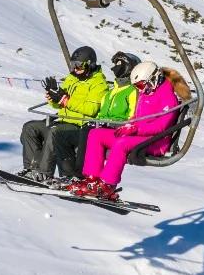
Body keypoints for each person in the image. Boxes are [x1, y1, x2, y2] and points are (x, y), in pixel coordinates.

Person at [70, 61, 191, 202]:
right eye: (136, 87)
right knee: (96, 134)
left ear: (154, 78)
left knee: (122, 143)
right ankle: (92, 179)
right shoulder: (146, 93)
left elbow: (161, 126)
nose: (140, 90)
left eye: (140, 85)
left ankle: (108, 184)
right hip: (138, 136)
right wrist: (129, 124)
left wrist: (136, 129)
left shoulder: (167, 96)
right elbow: (138, 116)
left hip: (155, 141)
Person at [47, 51, 139, 187]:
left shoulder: (132, 90)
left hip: (116, 130)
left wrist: (113, 124)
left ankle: (82, 176)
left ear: (129, 68)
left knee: (88, 130)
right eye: (114, 64)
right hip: (102, 127)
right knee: (62, 134)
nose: (114, 68)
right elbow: (102, 112)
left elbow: (133, 116)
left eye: (119, 65)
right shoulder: (114, 89)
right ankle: (74, 176)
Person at [19, 46, 106, 182]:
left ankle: (44, 173)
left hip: (79, 126)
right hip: (62, 120)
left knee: (54, 131)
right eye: (73, 65)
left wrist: (66, 100)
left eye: (78, 65)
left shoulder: (98, 83)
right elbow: (60, 103)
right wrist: (53, 97)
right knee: (30, 128)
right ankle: (32, 168)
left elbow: (91, 109)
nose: (75, 69)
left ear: (90, 64)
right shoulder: (72, 78)